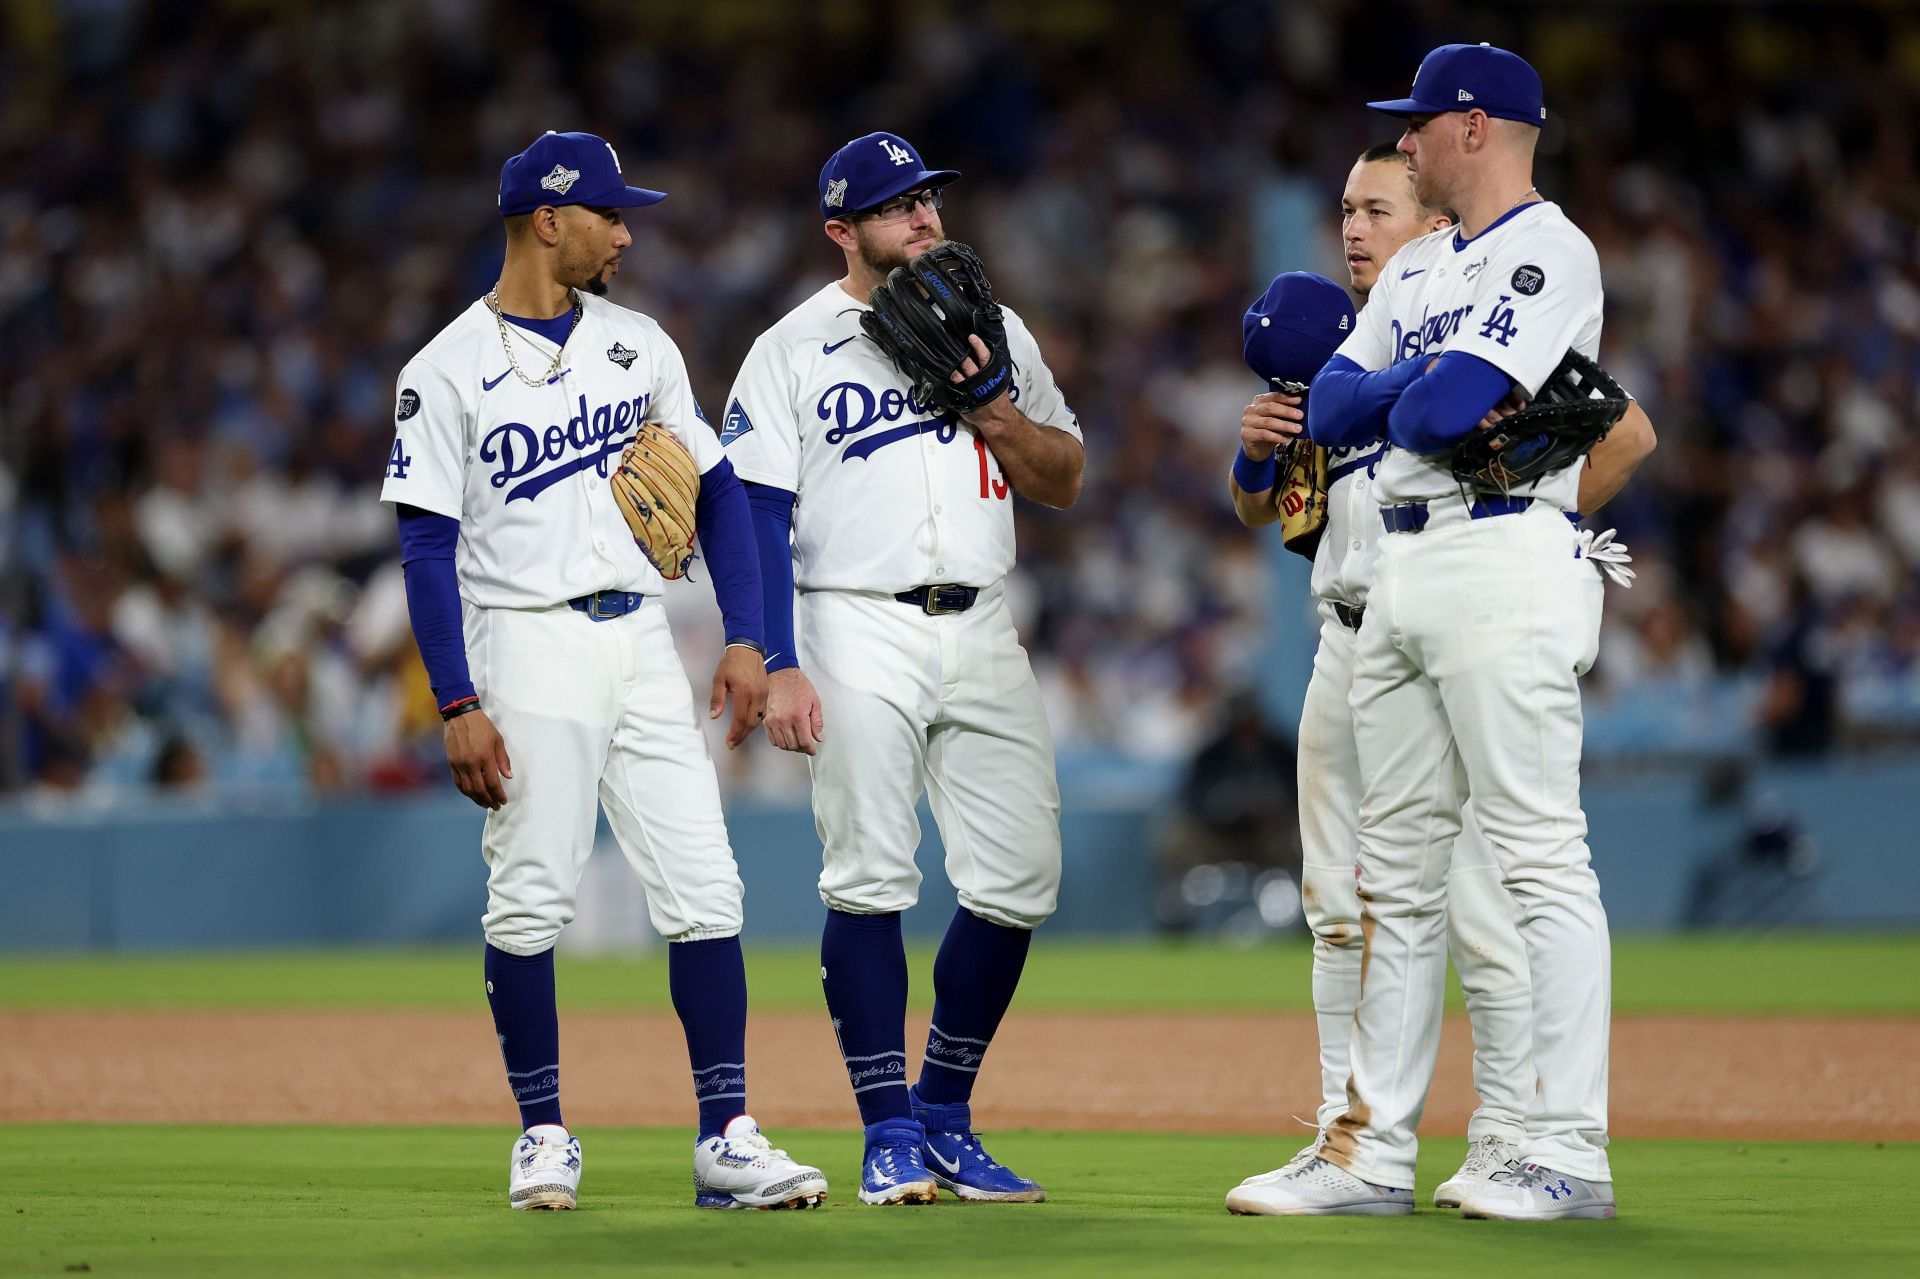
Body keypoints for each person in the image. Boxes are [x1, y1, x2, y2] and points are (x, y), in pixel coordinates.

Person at [380, 130, 825, 1213]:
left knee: (706, 886)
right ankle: (542, 1133)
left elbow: (720, 491)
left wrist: (747, 635)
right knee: (531, 894)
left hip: (639, 638)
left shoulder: (639, 344)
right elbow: (425, 548)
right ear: (549, 219)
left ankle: (726, 1135)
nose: (626, 234)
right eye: (610, 214)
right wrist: (456, 700)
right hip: (523, 642)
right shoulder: (444, 370)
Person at [1242, 44, 1640, 1220]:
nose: (1405, 141)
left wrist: (1412, 387)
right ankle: (1369, 1152)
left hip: (1503, 549)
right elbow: (1333, 406)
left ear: (1474, 126)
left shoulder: (1549, 248)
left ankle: (1564, 1148)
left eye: (1418, 124)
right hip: (1401, 566)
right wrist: (1417, 386)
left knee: (1535, 858)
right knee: (1395, 880)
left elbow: (1443, 405)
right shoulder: (1422, 267)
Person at [720, 132, 1085, 1205]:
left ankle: (943, 1111)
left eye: (927, 197)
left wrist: (998, 411)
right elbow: (757, 514)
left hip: (983, 619)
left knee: (1021, 874)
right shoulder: (791, 348)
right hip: (852, 621)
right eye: (895, 206)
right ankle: (886, 1130)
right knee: (870, 870)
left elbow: (1064, 474)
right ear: (842, 230)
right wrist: (778, 658)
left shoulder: (996, 324)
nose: (924, 216)